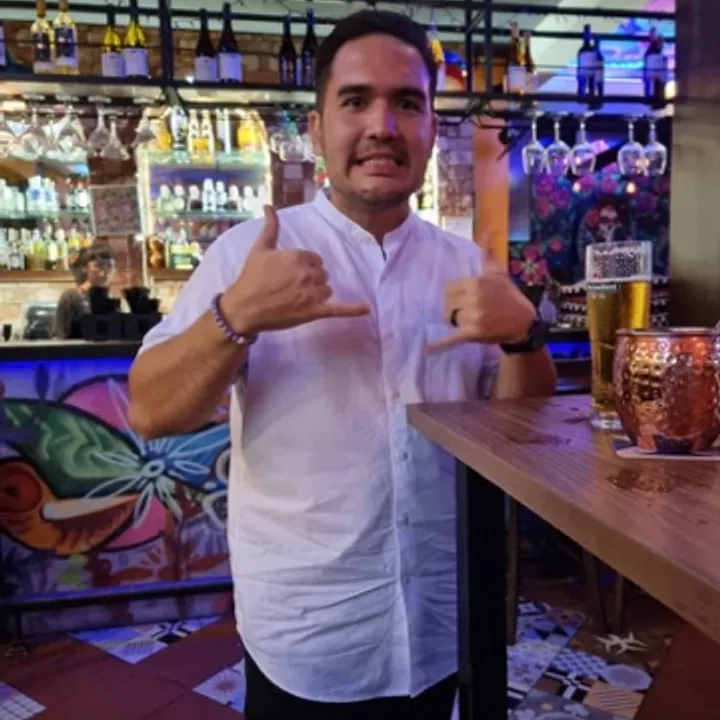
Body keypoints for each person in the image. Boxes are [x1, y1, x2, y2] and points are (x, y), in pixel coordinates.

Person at [127, 10, 556, 720]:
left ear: (431, 128)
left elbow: (522, 438)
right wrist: (235, 318)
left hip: (440, 622)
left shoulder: (466, 265)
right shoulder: (247, 257)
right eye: (356, 100)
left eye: (407, 103)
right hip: (308, 632)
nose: (382, 125)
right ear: (318, 128)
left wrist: (524, 337)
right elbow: (149, 412)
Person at [53, 245, 116, 339]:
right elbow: (60, 334)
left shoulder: (112, 298)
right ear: (85, 268)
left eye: (110, 266)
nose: (105, 271)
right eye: (98, 266)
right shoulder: (71, 297)